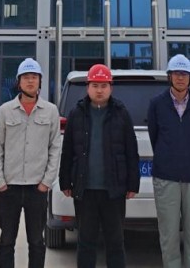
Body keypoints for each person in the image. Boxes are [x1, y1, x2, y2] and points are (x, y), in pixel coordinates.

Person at [59, 63, 140, 268]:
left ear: (111, 87)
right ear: (88, 87)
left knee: (115, 242)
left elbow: (131, 151)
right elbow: (67, 150)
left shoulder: (121, 113)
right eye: (95, 85)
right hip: (85, 190)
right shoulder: (77, 113)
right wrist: (64, 181)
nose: (99, 90)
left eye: (104, 85)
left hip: (113, 191)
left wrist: (133, 184)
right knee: (86, 242)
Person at [0, 58, 62, 268]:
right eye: (26, 77)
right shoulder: (5, 110)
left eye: (34, 77)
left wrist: (46, 182)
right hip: (9, 187)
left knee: (37, 241)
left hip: (36, 188)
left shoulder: (50, 111)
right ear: (18, 82)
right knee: (6, 240)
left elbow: (55, 148)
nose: (30, 81)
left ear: (40, 81)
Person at [146, 54, 190, 268]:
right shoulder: (157, 104)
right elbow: (155, 137)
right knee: (169, 233)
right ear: (169, 76)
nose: (180, 78)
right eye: (176, 73)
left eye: (184, 74)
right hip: (166, 178)